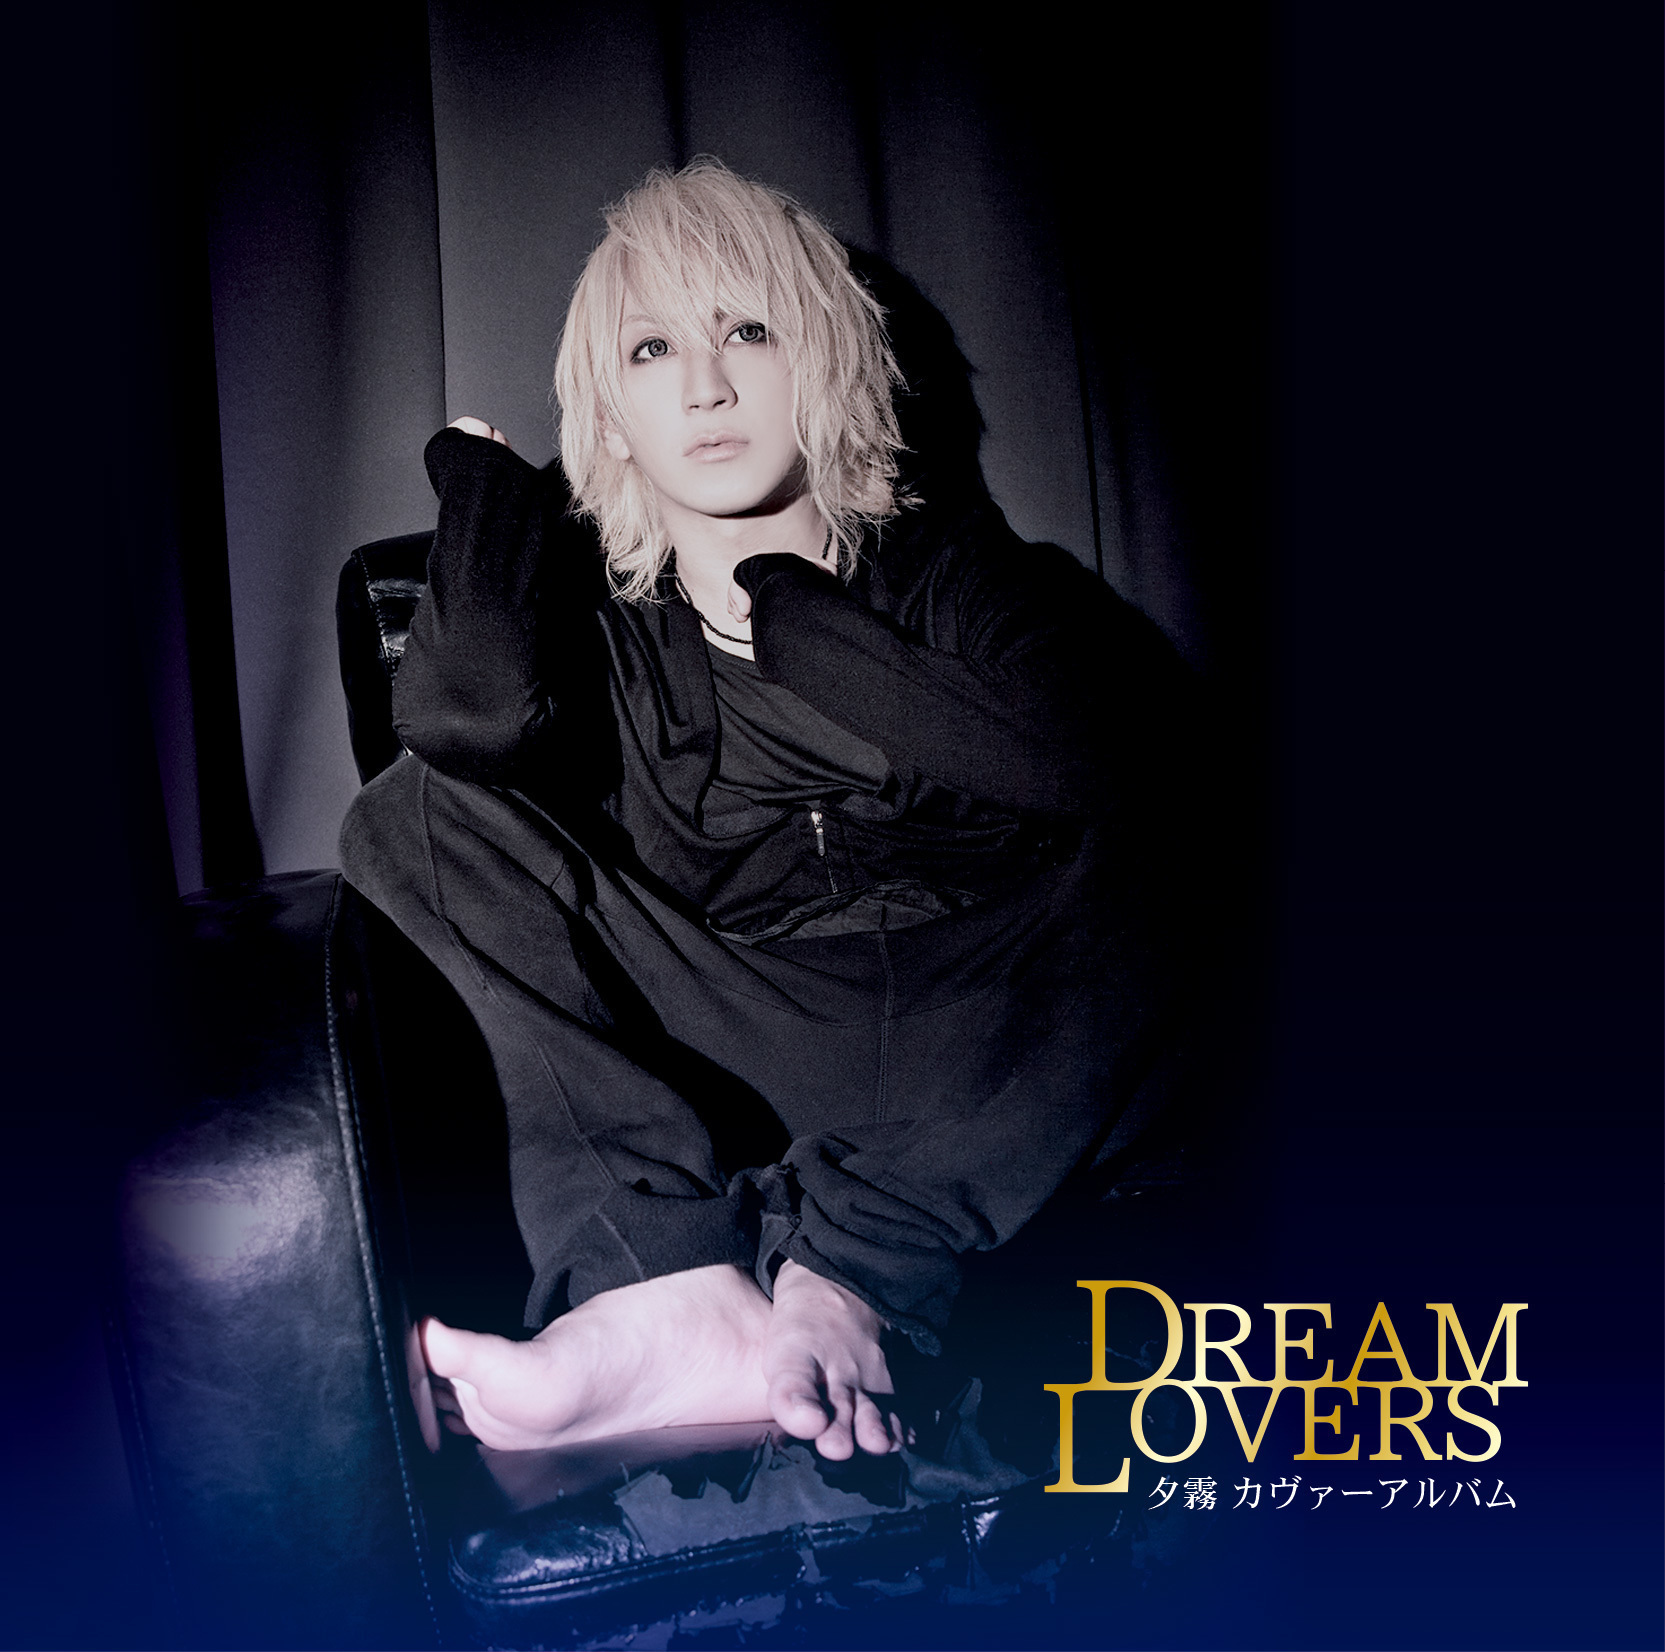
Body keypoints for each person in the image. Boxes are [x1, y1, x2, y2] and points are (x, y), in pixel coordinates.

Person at [339, 158, 1192, 1466]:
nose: (706, 385)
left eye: (748, 330)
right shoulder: (602, 638)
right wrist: (490, 495)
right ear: (612, 411)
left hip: (1000, 1052)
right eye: (652, 349)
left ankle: (857, 1269)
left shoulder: (969, 581)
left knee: (1198, 812)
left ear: (825, 358)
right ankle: (661, 1280)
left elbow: (1117, 776)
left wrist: (795, 611)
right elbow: (464, 721)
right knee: (413, 817)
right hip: (739, 1049)